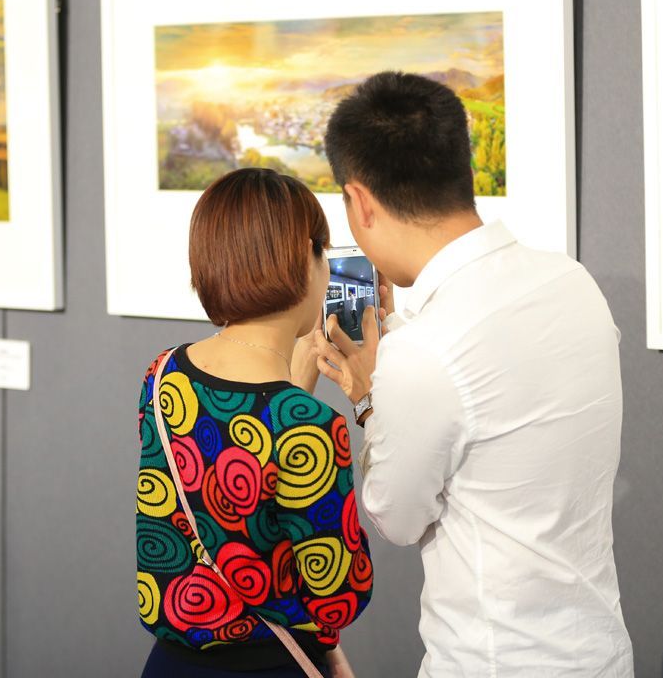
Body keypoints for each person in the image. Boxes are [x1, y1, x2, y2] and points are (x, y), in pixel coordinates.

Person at [308, 72, 634, 677]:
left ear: (360, 201)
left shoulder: (423, 353)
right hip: (597, 653)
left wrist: (370, 400)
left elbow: (395, 517)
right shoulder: (572, 281)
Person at [136, 168, 373, 678]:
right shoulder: (310, 425)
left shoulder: (164, 374)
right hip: (269, 667)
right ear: (306, 258)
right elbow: (339, 597)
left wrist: (297, 378)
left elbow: (229, 491)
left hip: (170, 665)